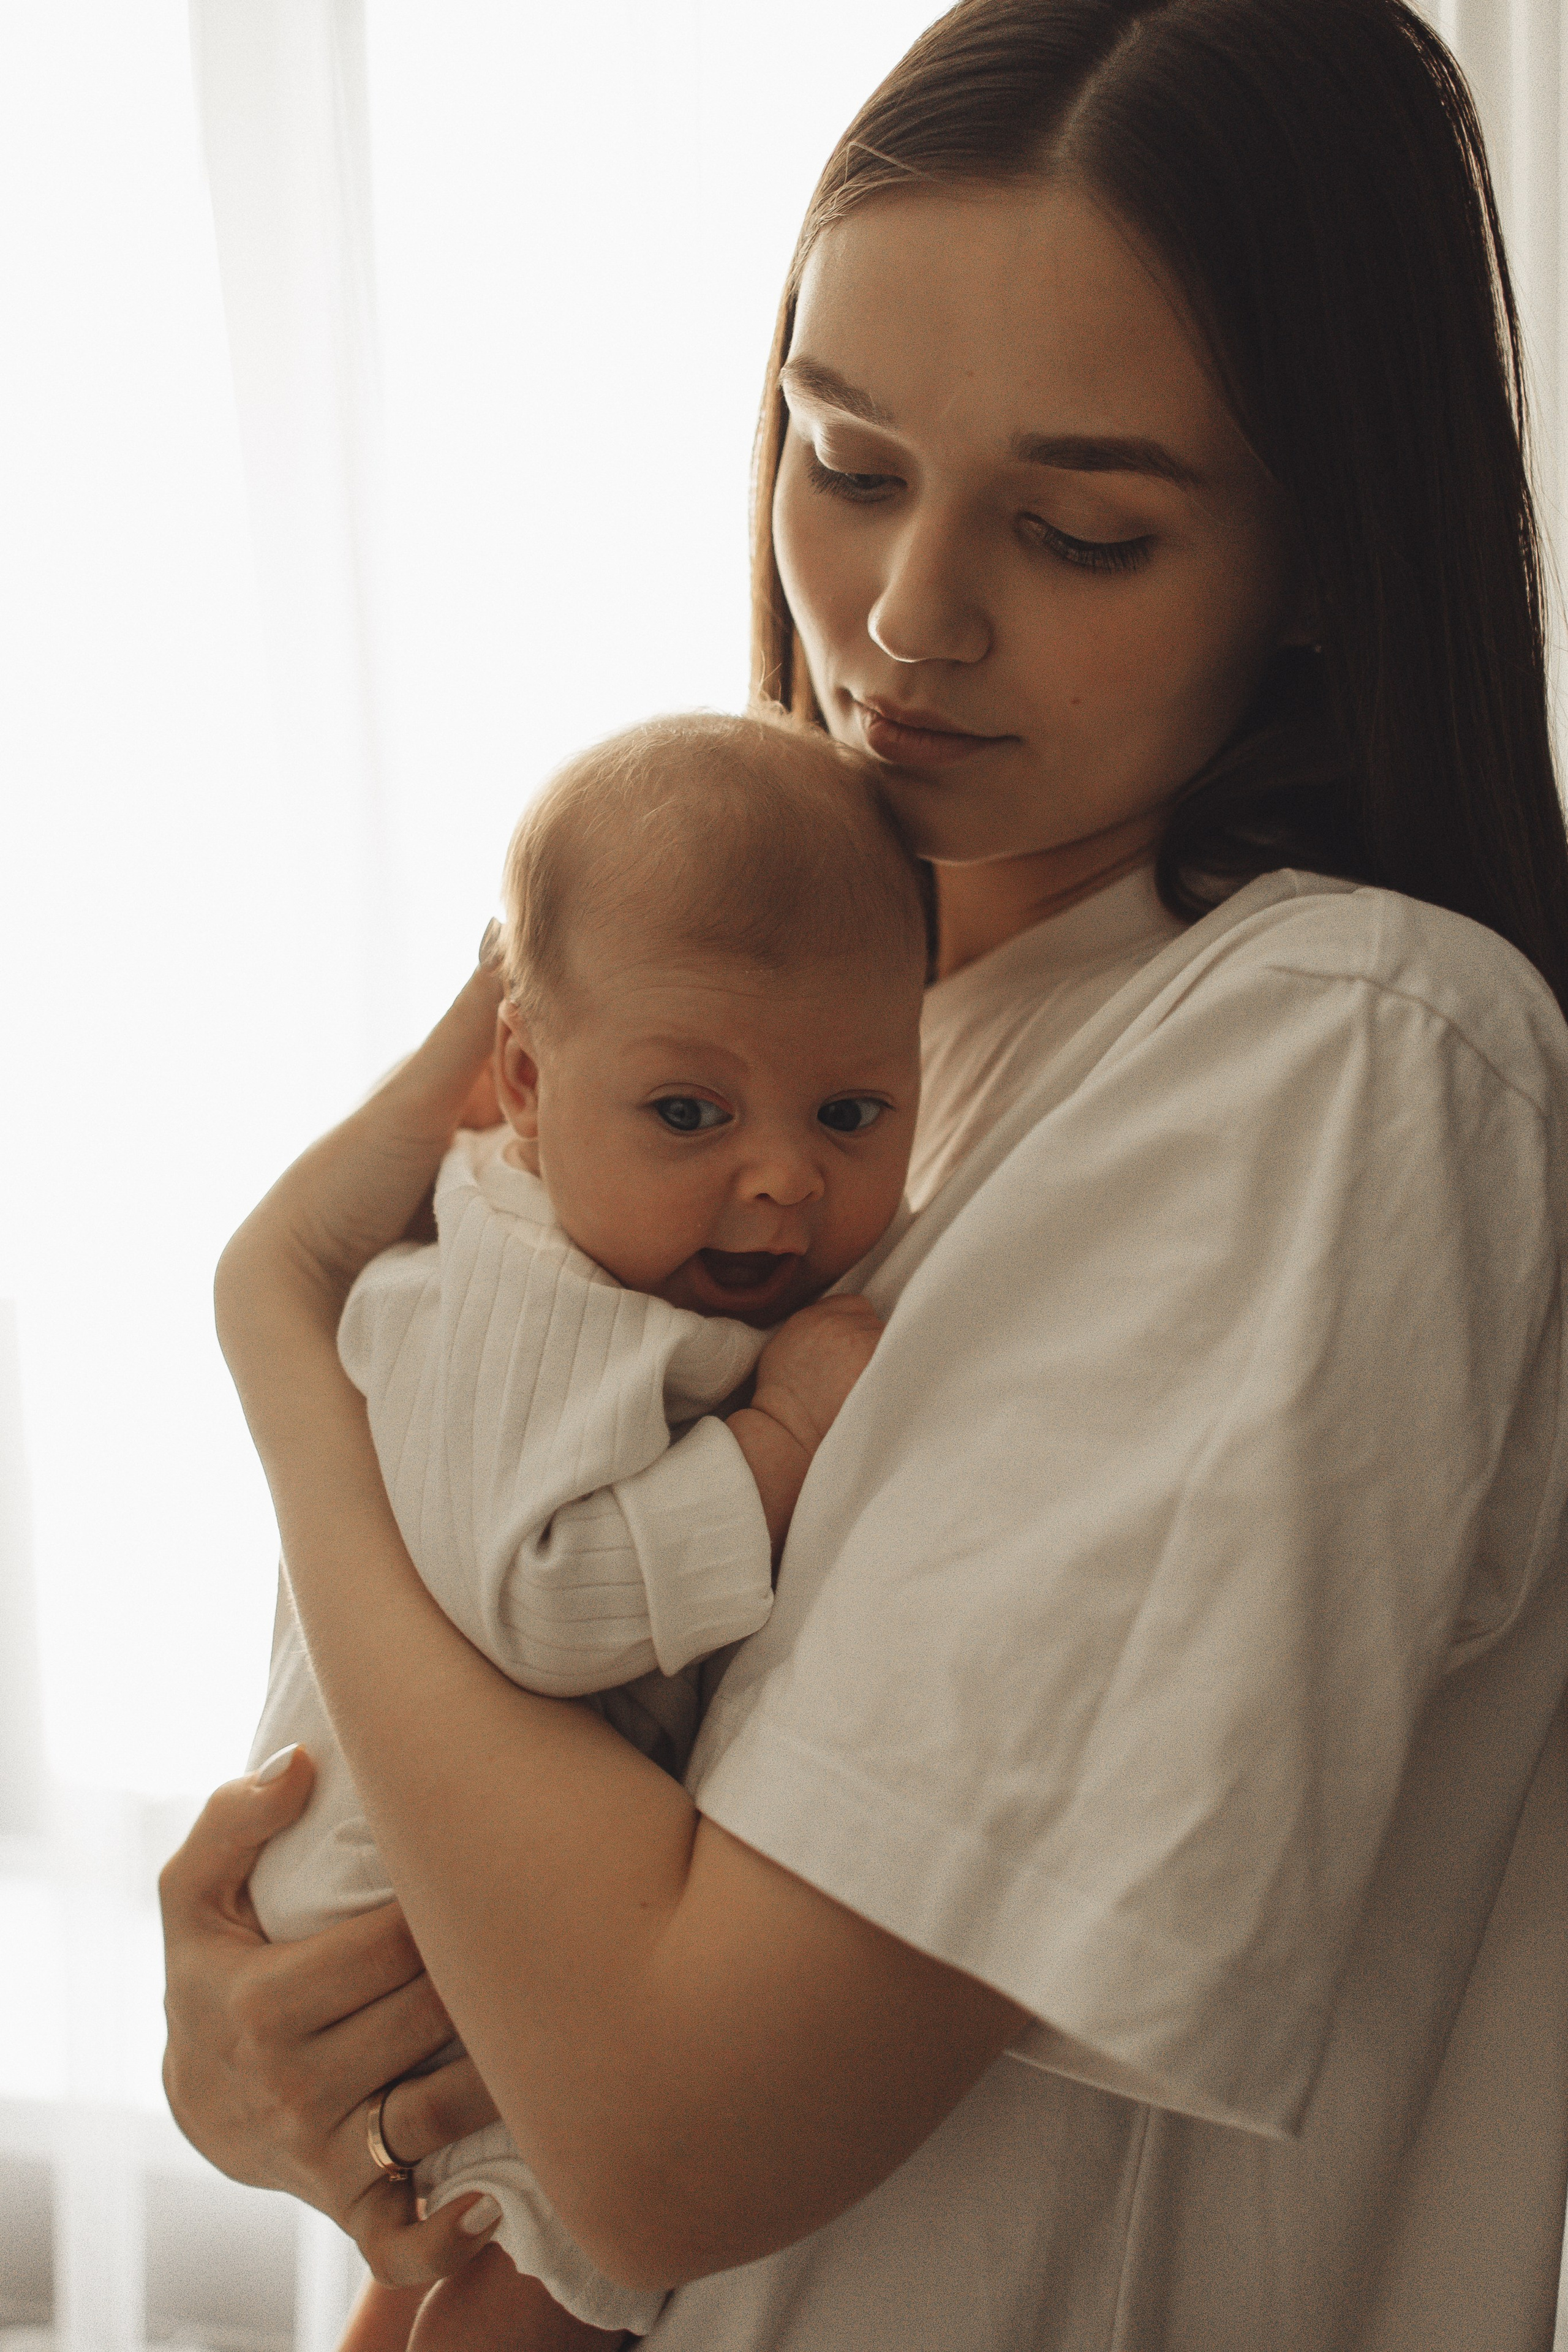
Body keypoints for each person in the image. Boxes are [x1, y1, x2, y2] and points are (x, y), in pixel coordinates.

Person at [160, 3, 1568, 2345]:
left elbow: (682, 2130)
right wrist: (263, 2063)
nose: (907, 619)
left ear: (1330, 550)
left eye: (1082, 526)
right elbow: (445, 1833)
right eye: (844, 459)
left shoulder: (1334, 1055)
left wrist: (277, 1344)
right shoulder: (781, 1038)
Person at [244, 711, 924, 2344]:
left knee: (471, 2276)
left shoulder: (609, 1256)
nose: (779, 1185)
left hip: (452, 1869)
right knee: (532, 2280)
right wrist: (781, 1438)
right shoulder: (528, 1293)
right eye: (691, 1116)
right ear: (531, 1085)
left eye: (849, 1115)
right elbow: (546, 1601)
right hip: (406, 1893)